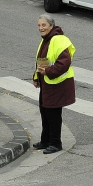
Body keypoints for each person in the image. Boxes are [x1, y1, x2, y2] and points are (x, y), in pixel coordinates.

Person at [32, 14, 76, 154]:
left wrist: (48, 72)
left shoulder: (58, 40)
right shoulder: (46, 40)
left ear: (51, 25)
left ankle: (56, 143)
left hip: (57, 84)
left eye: (44, 25)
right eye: (39, 25)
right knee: (45, 113)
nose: (41, 28)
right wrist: (36, 77)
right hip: (47, 83)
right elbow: (42, 61)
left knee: (53, 115)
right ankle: (45, 141)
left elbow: (64, 63)